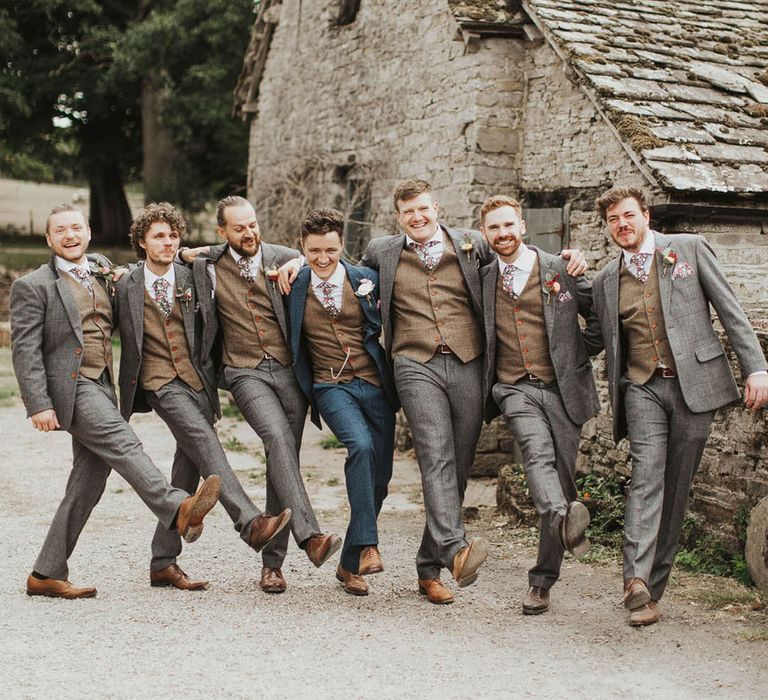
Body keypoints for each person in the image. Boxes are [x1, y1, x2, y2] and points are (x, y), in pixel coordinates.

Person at [280, 179, 587, 604]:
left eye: (423, 209)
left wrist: (567, 258)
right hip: (413, 362)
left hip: (468, 361)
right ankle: (457, 549)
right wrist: (297, 261)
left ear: (436, 207)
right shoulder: (382, 252)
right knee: (435, 453)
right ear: (398, 216)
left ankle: (429, 568)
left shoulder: (472, 243)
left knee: (458, 464)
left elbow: (515, 254)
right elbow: (335, 265)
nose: (417, 218)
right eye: (408, 212)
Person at [10, 204, 221, 599]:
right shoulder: (33, 285)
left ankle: (46, 572)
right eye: (61, 231)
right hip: (73, 388)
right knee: (125, 444)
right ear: (49, 239)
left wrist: (182, 257)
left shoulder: (103, 268)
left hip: (104, 384)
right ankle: (177, 507)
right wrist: (38, 403)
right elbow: (25, 351)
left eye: (76, 228)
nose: (70, 235)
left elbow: (138, 290)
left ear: (88, 232)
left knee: (87, 483)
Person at [590, 186, 768, 626]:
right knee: (646, 478)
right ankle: (634, 580)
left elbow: (730, 311)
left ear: (646, 215)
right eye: (613, 220)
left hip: (695, 386)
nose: (622, 225)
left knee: (677, 488)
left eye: (628, 216)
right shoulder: (604, 281)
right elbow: (595, 336)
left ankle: (652, 591)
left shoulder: (687, 249)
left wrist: (757, 368)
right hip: (642, 387)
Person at [115, 202, 293, 591]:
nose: (167, 242)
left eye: (172, 235)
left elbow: (223, 260)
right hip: (159, 382)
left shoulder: (193, 274)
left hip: (197, 381)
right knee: (203, 439)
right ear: (141, 241)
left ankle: (163, 561)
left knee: (188, 463)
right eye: (158, 236)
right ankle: (250, 523)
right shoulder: (123, 283)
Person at [188, 196, 341, 593]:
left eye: (253, 224)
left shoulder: (284, 256)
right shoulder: (207, 265)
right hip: (244, 371)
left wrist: (301, 262)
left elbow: (330, 260)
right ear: (222, 232)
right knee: (276, 438)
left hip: (290, 372)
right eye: (239, 228)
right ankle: (311, 537)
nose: (249, 233)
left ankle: (272, 566)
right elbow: (172, 256)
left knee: (282, 455)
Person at [479, 195, 601, 615]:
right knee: (535, 452)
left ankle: (543, 579)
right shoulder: (481, 277)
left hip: (563, 390)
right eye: (494, 228)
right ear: (484, 234)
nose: (503, 234)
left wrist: (577, 353)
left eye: (508, 225)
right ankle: (561, 518)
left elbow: (598, 313)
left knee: (563, 479)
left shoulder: (561, 268)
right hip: (514, 387)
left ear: (523, 226)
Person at [287, 208, 399, 596]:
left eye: (330, 250)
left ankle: (348, 565)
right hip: (328, 386)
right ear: (302, 247)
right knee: (360, 445)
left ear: (342, 246)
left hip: (374, 384)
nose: (322, 258)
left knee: (379, 480)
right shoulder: (291, 284)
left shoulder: (367, 280)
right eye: (314, 250)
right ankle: (369, 546)